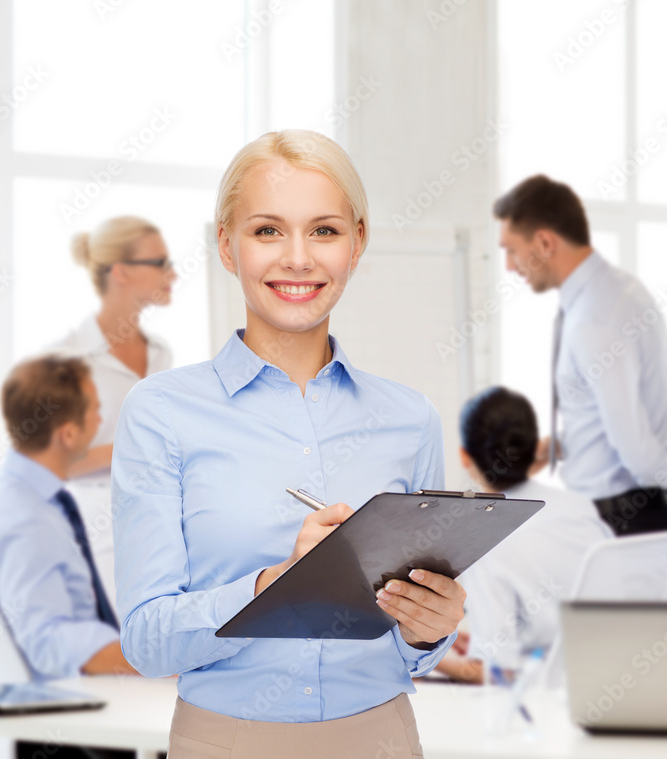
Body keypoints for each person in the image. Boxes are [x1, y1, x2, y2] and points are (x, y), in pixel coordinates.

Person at [111, 130, 464, 758]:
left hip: (383, 737)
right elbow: (147, 642)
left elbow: (412, 651)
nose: (298, 258)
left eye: (324, 231)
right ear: (226, 244)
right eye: (268, 230)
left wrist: (426, 631)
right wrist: (276, 587)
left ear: (358, 242)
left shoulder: (411, 420)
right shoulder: (161, 412)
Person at [493, 175, 667, 536]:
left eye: (511, 249)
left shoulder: (594, 318)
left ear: (544, 242)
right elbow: (616, 412)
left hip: (622, 520)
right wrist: (561, 446)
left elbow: (631, 444)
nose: (509, 265)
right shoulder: (619, 292)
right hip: (632, 514)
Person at [0, 356, 137, 679]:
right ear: (68, 434)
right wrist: (157, 661)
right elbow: (49, 640)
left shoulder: (17, 498)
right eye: (96, 409)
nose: (100, 420)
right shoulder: (24, 520)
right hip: (74, 702)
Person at [434, 386, 614, 684]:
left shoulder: (485, 539)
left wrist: (427, 658)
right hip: (607, 672)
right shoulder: (579, 508)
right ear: (533, 447)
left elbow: (498, 672)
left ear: (465, 457)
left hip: (547, 695)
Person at [48, 216, 176, 610]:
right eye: (159, 263)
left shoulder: (160, 353)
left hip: (154, 515)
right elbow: (55, 464)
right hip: (92, 521)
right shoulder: (68, 358)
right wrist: (136, 445)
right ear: (120, 272)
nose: (172, 273)